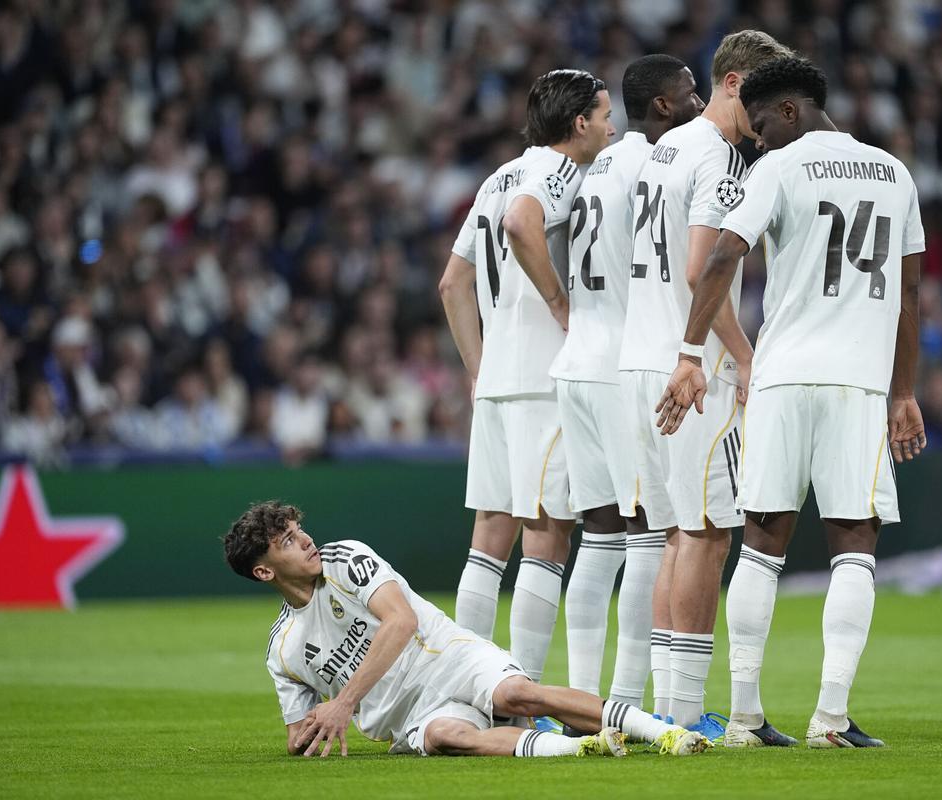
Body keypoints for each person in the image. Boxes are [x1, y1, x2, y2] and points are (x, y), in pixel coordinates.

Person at [654, 56, 928, 748]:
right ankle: (831, 718)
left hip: (779, 378)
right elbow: (911, 295)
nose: (755, 143)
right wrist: (904, 392)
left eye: (759, 130)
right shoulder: (895, 174)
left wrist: (689, 353)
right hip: (856, 384)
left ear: (788, 111)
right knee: (855, 547)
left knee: (761, 546)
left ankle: (746, 716)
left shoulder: (781, 166)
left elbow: (719, 258)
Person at [617, 30, 793, 745]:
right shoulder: (719, 157)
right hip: (690, 371)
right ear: (732, 84)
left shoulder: (664, 150)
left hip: (638, 359)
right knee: (706, 534)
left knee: (672, 538)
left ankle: (668, 713)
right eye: (765, 97)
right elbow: (702, 269)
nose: (773, 114)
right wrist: (743, 357)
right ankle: (687, 716)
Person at [223, 501, 711, 758]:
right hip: (410, 716)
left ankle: (659, 731)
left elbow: (402, 621)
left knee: (518, 695)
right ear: (265, 571)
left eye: (297, 529)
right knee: (446, 737)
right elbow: (296, 733)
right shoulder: (282, 651)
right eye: (287, 541)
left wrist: (344, 703)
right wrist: (309, 733)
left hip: (446, 656)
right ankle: (584, 746)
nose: (305, 539)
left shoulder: (344, 559)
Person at [438, 70, 614, 684]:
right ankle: (522, 693)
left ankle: (464, 686)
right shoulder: (558, 172)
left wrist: (478, 369)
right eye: (604, 115)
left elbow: (452, 284)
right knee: (546, 535)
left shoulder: (496, 177)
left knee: (489, 537)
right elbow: (522, 225)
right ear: (579, 124)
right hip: (544, 376)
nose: (612, 127)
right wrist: (560, 303)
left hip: (499, 381)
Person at [550, 54, 705, 711]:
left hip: (576, 363)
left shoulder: (589, 168)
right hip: (621, 365)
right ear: (663, 107)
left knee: (602, 537)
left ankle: (586, 702)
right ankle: (625, 705)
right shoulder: (651, 159)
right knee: (652, 536)